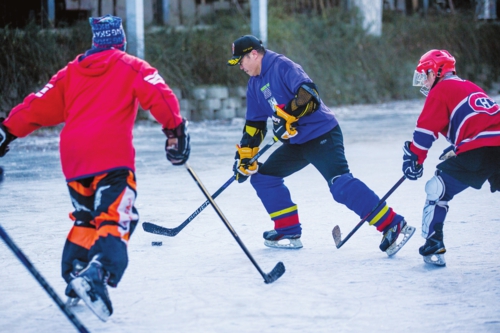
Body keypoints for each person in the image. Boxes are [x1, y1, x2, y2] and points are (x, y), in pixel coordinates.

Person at [0, 15, 190, 321]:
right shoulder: (130, 65)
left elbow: (38, 103)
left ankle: (77, 270)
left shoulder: (70, 72)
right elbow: (160, 94)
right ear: (120, 41)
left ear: (95, 43)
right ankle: (97, 272)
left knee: (87, 217)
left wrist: (7, 131)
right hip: (111, 158)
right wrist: (175, 130)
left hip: (74, 160)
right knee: (116, 217)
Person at [227, 35, 415, 253]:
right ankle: (288, 230)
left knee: (340, 185)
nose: (240, 66)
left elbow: (309, 95)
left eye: (240, 60)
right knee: (263, 177)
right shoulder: (254, 85)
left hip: (321, 134)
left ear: (254, 54)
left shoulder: (282, 66)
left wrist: (287, 114)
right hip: (296, 143)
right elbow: (254, 125)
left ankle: (393, 225)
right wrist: (246, 156)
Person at [403, 49, 500, 266]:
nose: (424, 83)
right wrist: (459, 147)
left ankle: (433, 243)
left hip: (478, 150)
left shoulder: (442, 89)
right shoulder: (470, 86)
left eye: (425, 76)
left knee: (437, 188)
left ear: (437, 71)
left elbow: (426, 130)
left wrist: (415, 159)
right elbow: (483, 122)